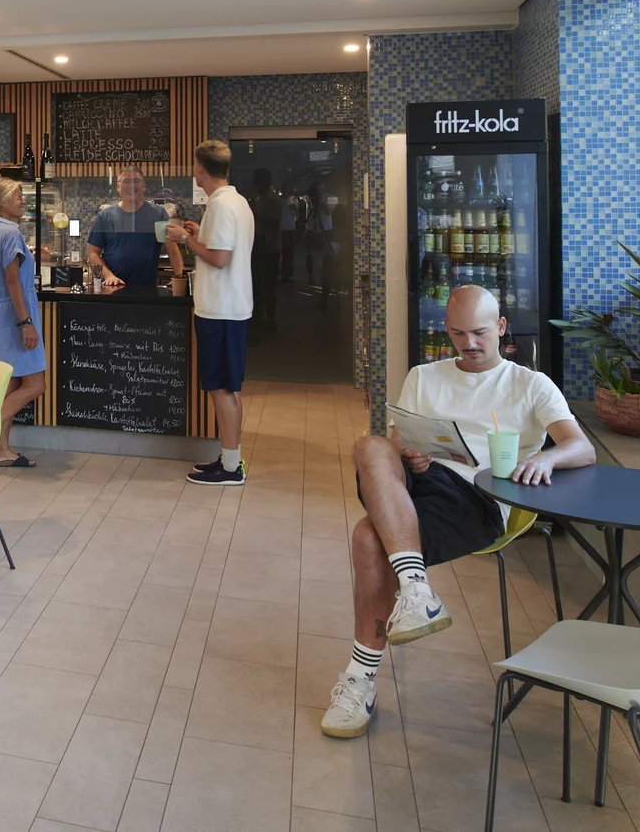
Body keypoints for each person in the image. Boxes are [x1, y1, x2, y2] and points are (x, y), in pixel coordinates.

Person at [319, 286, 593, 740]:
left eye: (480, 333)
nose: (470, 344)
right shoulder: (424, 377)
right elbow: (394, 448)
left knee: (368, 537)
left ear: (501, 327)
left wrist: (546, 458)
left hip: (479, 497)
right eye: (459, 334)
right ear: (446, 330)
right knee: (369, 445)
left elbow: (581, 448)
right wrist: (409, 456)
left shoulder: (530, 384)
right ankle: (416, 589)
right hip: (421, 484)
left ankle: (361, 678)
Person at [167, 141, 254, 486]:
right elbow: (223, 249)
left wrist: (183, 239)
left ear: (199, 169)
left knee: (221, 389)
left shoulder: (219, 205)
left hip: (220, 310)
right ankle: (230, 458)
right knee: (228, 388)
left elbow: (220, 259)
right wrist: (199, 234)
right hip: (232, 306)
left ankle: (231, 469)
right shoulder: (238, 202)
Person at [0, 176, 46, 468]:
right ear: (4, 202)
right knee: (36, 384)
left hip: (2, 312)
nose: (23, 200)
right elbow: (13, 281)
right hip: (18, 315)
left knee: (12, 383)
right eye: (19, 196)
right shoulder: (10, 233)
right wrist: (26, 322)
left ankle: (1, 450)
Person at [87, 164, 185, 289]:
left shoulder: (158, 214)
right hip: (113, 289)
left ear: (143, 186)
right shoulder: (104, 216)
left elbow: (172, 248)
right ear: (118, 187)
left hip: (147, 290)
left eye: (136, 181)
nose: (131, 185)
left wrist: (179, 276)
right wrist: (109, 276)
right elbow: (93, 253)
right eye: (126, 181)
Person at [247, 169, 282, 330]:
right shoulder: (260, 198)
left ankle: (270, 320)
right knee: (258, 285)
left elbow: (273, 222)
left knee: (268, 285)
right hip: (260, 245)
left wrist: (253, 213)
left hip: (269, 247)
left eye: (257, 182)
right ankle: (259, 320)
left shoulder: (272, 199)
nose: (255, 185)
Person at [279, 185, 299, 283]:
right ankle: (283, 273)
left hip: (289, 228)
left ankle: (289, 274)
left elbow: (296, 216)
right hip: (281, 228)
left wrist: (295, 207)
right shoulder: (278, 200)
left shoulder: (294, 200)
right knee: (281, 252)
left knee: (289, 252)